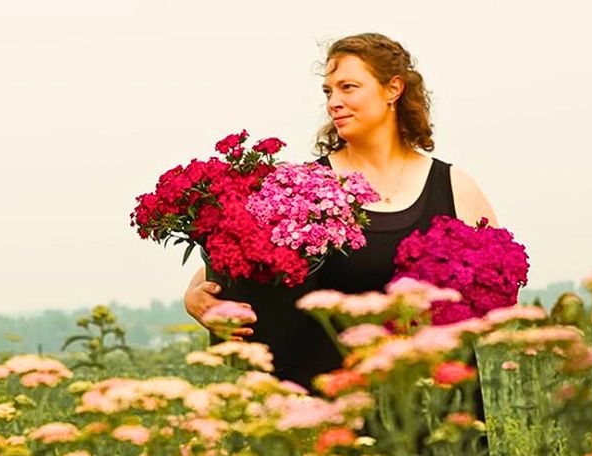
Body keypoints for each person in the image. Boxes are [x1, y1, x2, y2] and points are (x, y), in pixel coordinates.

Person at [183, 32, 498, 391]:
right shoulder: (306, 187)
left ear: (393, 89)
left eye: (348, 87)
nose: (334, 102)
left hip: (432, 406)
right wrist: (195, 295)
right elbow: (244, 259)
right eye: (328, 91)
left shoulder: (454, 185)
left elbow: (496, 284)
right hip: (332, 408)